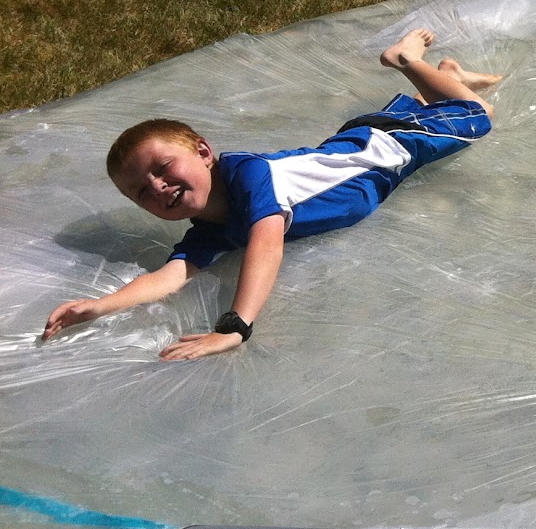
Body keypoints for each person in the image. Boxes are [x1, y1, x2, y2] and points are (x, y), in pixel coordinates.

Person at [41, 29, 499, 361]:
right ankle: (447, 76)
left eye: (163, 168)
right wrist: (98, 306)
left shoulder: (248, 175)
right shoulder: (211, 227)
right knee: (449, 108)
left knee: (479, 114)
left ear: (204, 152)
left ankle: (406, 58)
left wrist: (234, 326)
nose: (158, 186)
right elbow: (171, 276)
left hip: (392, 146)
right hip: (355, 144)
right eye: (142, 191)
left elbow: (267, 242)